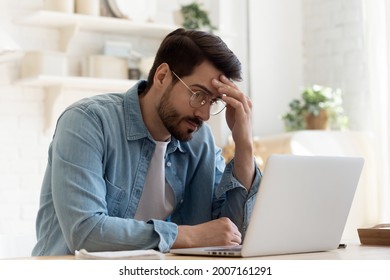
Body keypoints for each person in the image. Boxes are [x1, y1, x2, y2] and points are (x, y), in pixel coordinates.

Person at [32, 28, 262, 256]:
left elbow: (231, 234)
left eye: (212, 101)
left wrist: (243, 145)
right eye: (198, 95)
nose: (204, 115)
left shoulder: (199, 142)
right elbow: (85, 233)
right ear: (162, 76)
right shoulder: (88, 122)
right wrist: (189, 236)